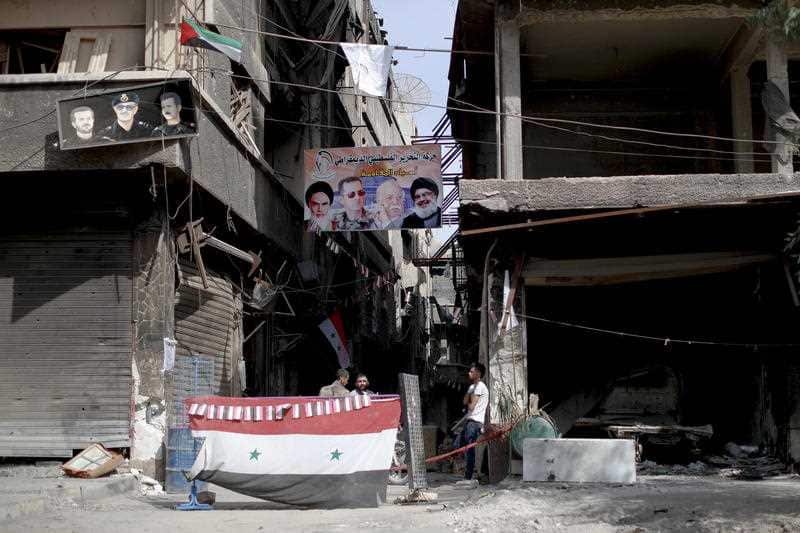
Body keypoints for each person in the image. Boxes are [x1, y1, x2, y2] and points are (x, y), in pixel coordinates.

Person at [460, 362, 488, 483]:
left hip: (475, 422)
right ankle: (469, 473)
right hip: (471, 421)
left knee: (470, 449)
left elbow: (471, 406)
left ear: (478, 373)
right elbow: (464, 401)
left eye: (472, 371)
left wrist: (470, 396)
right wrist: (469, 391)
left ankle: (469, 476)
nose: (469, 373)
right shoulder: (473, 387)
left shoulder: (480, 386)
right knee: (461, 445)